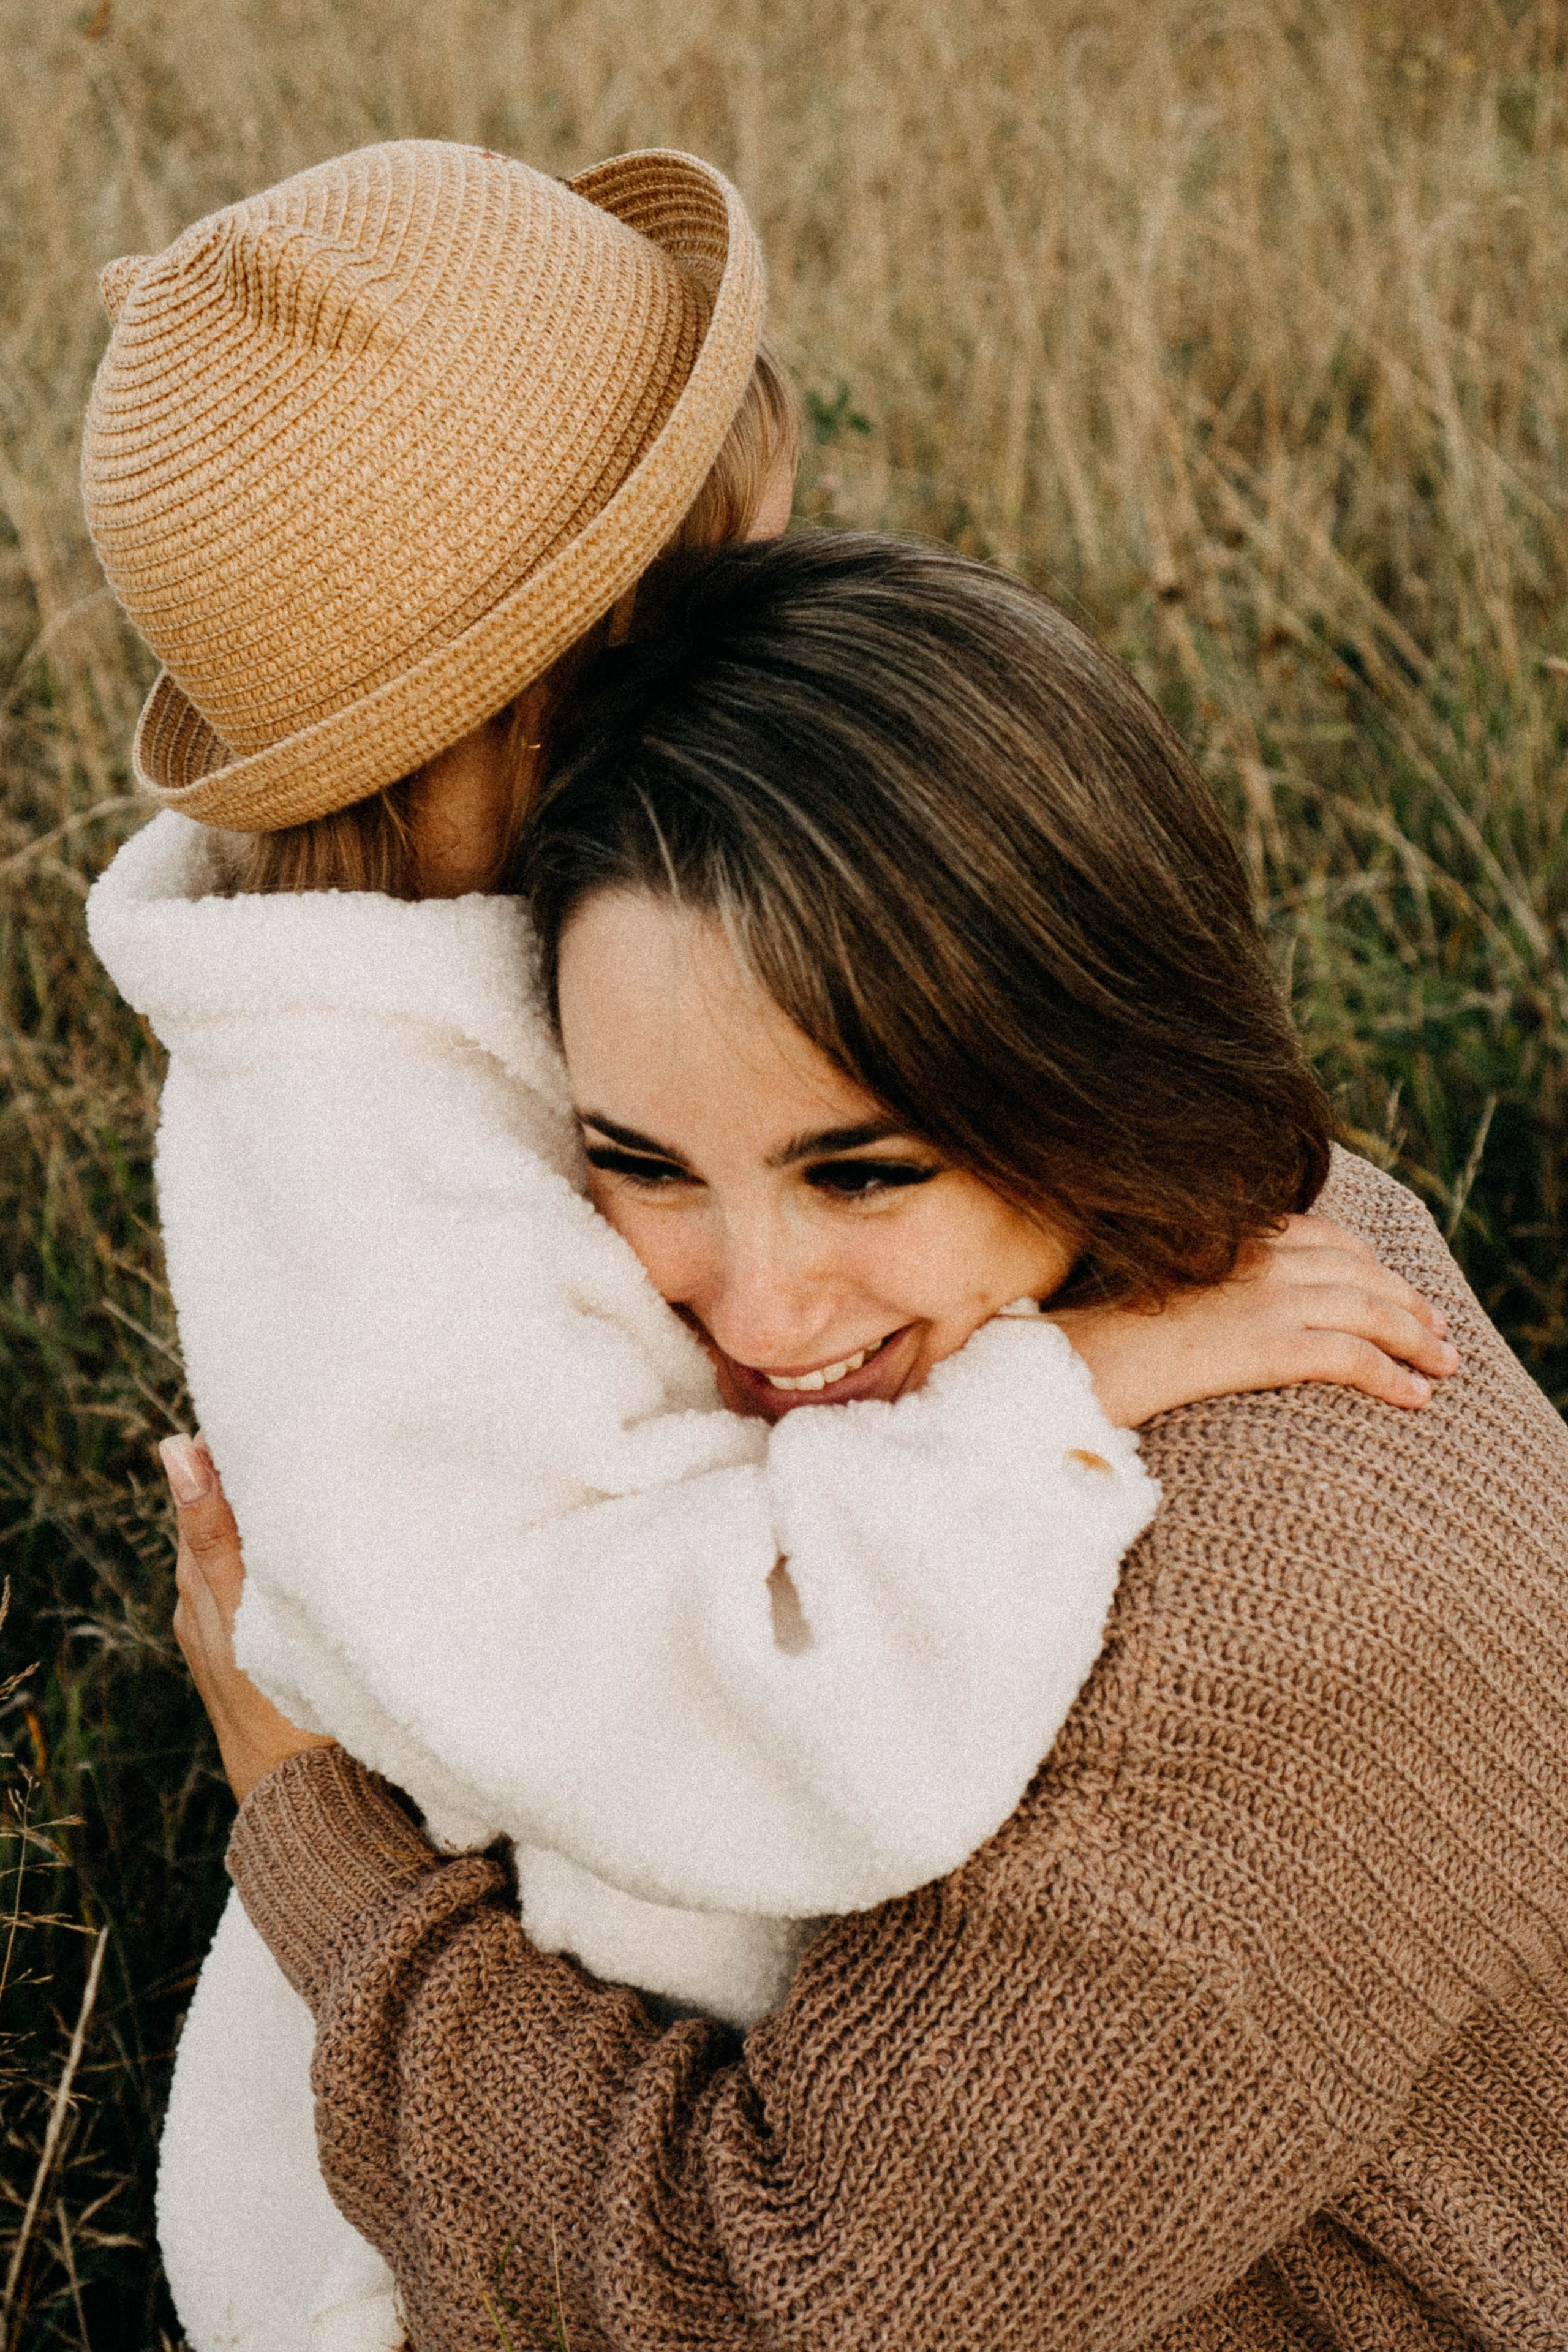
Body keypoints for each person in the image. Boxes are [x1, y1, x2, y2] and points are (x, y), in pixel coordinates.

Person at [85, 144, 1450, 2352]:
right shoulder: (364, 1192)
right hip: (516, 2105)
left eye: (864, 1165)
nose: (770, 593)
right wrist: (1048, 1401)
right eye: (709, 560)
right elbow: (700, 1739)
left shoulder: (508, 948)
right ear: (578, 659)